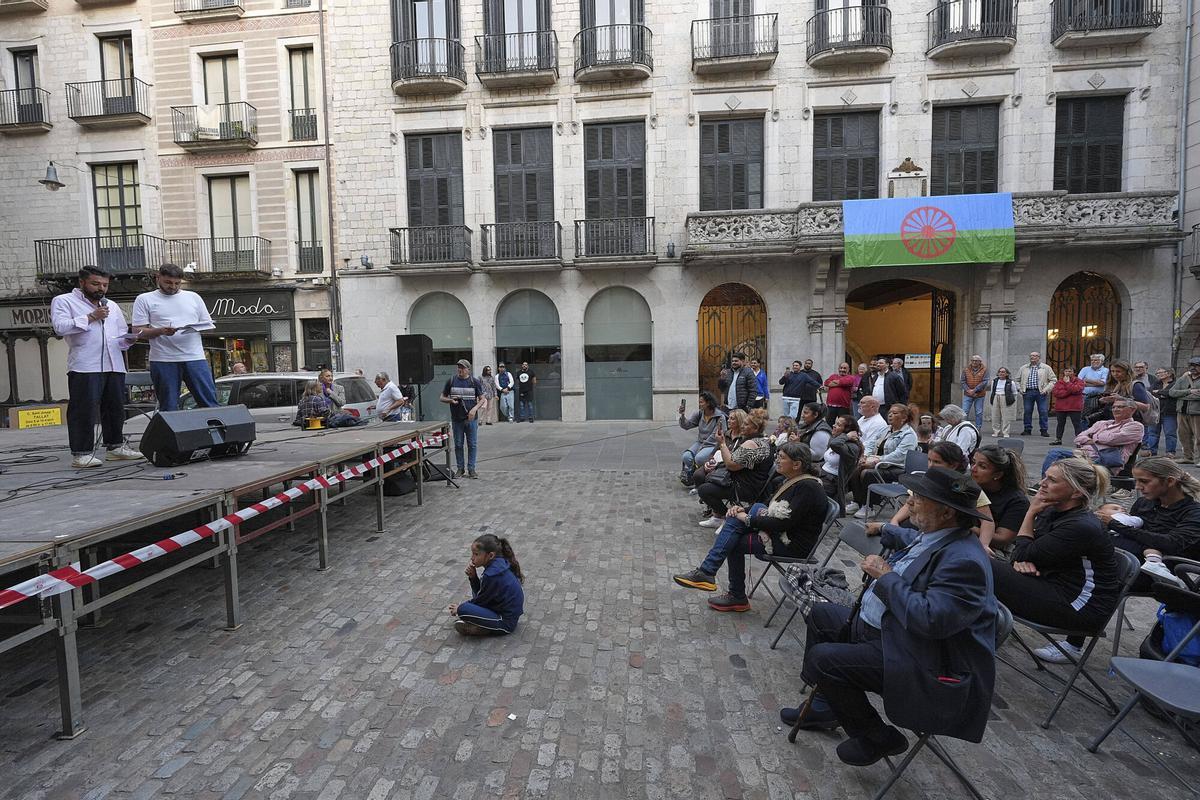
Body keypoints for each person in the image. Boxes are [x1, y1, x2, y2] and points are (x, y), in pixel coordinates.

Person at [785, 467, 997, 767]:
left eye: (919, 499)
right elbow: (913, 539)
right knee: (821, 615)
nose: (909, 504)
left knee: (824, 659)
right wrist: (887, 529)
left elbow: (930, 619)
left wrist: (885, 577)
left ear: (947, 512)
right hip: (887, 631)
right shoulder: (938, 534)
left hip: (921, 659)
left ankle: (876, 736)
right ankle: (826, 704)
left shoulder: (965, 561)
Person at [991, 458, 1121, 665]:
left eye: (1051, 480)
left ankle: (972, 634)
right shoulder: (1054, 511)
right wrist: (1022, 559)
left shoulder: (1081, 526)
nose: (1042, 483)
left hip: (1079, 609)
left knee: (981, 566)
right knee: (980, 563)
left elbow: (1021, 553)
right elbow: (1023, 554)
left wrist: (1030, 512)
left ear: (1077, 492)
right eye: (1045, 477)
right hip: (1052, 584)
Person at [673, 442, 828, 612]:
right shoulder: (790, 480)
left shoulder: (808, 487)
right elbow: (768, 506)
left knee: (734, 542)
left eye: (782, 458)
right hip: (781, 532)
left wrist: (747, 519)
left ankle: (732, 592)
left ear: (797, 464)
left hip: (791, 544)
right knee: (739, 518)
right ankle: (711, 576)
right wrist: (742, 510)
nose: (776, 460)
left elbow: (783, 523)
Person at [49, 266, 144, 468]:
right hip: (85, 365)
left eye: (105, 285)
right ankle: (81, 453)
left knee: (115, 407)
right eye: (95, 284)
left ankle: (115, 447)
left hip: (114, 363)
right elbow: (60, 327)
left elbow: (118, 335)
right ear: (82, 282)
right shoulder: (64, 301)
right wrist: (91, 317)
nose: (100, 288)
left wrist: (129, 341)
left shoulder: (112, 306)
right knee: (83, 409)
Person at [1097, 456, 1200, 590]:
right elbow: (1132, 533)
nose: (1138, 487)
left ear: (1169, 481)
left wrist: (1115, 524)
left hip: (1158, 573)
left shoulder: (1193, 512)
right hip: (1127, 562)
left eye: (1144, 481)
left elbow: (1170, 543)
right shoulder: (1144, 503)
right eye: (1136, 481)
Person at [131, 263, 218, 412]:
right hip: (163, 359)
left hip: (195, 357)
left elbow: (208, 324)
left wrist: (194, 328)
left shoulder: (193, 297)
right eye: (168, 282)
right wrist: (161, 331)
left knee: (209, 402)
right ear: (158, 278)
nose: (173, 286)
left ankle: (216, 434)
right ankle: (170, 435)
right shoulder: (144, 299)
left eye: (177, 283)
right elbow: (137, 331)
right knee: (169, 407)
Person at [696, 408, 773, 528]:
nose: (742, 426)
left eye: (746, 424)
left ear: (755, 428)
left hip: (745, 486)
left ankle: (724, 517)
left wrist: (722, 443)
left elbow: (731, 465)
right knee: (704, 476)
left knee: (705, 489)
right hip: (751, 482)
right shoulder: (762, 440)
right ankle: (717, 516)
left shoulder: (752, 444)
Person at [848, 403, 917, 518]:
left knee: (867, 473)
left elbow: (899, 455)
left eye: (895, 413)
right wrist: (865, 455)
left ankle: (869, 506)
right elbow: (871, 443)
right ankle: (857, 501)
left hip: (896, 467)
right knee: (856, 467)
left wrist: (876, 460)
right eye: (890, 412)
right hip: (878, 461)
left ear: (904, 418)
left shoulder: (909, 434)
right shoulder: (886, 429)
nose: (890, 415)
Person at [1041, 397, 1143, 475]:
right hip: (1083, 455)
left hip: (1103, 461)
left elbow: (1112, 439)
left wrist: (1093, 437)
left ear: (1132, 410)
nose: (1116, 409)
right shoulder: (1102, 423)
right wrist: (1100, 439)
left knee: (1064, 468)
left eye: (1120, 407)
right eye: (1114, 407)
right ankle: (1045, 484)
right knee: (1054, 453)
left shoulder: (1135, 427)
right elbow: (1078, 438)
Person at [447, 534, 524, 636]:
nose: (472, 558)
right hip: (500, 610)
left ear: (490, 555)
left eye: (476, 554)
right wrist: (473, 577)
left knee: (464, 609)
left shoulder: (492, 575)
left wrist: (459, 609)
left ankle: (481, 628)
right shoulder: (499, 563)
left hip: (505, 623)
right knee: (468, 607)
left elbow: (480, 602)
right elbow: (481, 596)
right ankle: (481, 626)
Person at [969, 445, 1029, 557]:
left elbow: (1002, 539)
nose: (973, 468)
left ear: (997, 475)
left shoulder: (1017, 501)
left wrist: (964, 527)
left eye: (982, 466)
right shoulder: (969, 486)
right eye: (973, 462)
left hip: (996, 552)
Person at [440, 359, 486, 479]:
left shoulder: (474, 382)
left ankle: (471, 469)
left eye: (463, 368)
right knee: (458, 444)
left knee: (472, 444)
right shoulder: (451, 381)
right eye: (459, 367)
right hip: (457, 419)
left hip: (471, 419)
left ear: (468, 370)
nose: (460, 370)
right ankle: (460, 468)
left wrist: (474, 409)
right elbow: (442, 397)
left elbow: (482, 399)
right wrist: (450, 400)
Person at [679, 391, 727, 486]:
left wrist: (700, 449)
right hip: (700, 442)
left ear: (708, 403)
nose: (699, 404)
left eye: (701, 402)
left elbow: (714, 436)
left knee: (699, 458)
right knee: (686, 457)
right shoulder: (700, 414)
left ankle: (701, 476)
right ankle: (695, 475)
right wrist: (682, 415)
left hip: (713, 445)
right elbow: (686, 426)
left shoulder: (720, 417)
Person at [821, 415, 863, 514]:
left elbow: (834, 445)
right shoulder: (836, 438)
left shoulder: (852, 447)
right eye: (835, 423)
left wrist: (846, 436)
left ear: (847, 430)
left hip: (832, 482)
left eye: (838, 425)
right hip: (822, 474)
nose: (834, 426)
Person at [1016, 351, 1055, 437]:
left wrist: (1046, 389)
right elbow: (1017, 380)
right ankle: (1027, 429)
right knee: (1027, 411)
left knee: (1043, 411)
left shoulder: (1046, 368)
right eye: (1031, 356)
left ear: (1039, 357)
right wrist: (1020, 389)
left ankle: (1044, 430)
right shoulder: (1023, 368)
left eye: (1035, 356)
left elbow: (1053, 380)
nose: (1032, 357)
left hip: (1041, 392)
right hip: (1027, 392)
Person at [1169, 357, 1200, 464]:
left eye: (1196, 365)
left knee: (1198, 437)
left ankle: (1199, 459)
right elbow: (1172, 392)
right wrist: (1189, 391)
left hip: (1197, 413)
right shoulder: (1183, 378)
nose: (1193, 367)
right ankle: (1188, 457)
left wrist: (1181, 395)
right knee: (1184, 436)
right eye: (1191, 365)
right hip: (1182, 412)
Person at [294, 380, 361, 428]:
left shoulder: (302, 401)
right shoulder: (318, 399)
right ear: (315, 388)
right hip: (320, 424)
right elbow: (325, 414)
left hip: (307, 425)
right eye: (319, 385)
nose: (321, 387)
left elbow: (298, 418)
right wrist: (338, 413)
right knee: (348, 417)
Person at [1146, 367, 1177, 457]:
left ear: (1169, 373)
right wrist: (1164, 394)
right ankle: (1152, 451)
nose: (1158, 375)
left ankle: (1170, 452)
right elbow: (1150, 392)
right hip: (1156, 411)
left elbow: (1173, 393)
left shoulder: (1175, 383)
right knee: (1152, 433)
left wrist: (1159, 392)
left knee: (1170, 433)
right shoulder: (1157, 383)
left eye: (1160, 372)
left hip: (1170, 412)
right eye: (1157, 373)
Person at [1049, 366, 1085, 445]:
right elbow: (1056, 393)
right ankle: (1058, 439)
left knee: (1077, 424)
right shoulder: (1059, 382)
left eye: (1070, 371)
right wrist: (1069, 391)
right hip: (1061, 407)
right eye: (1066, 371)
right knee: (1060, 424)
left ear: (1074, 373)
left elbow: (1077, 389)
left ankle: (1079, 440)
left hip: (1074, 407)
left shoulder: (1079, 381)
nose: (1068, 373)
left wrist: (1068, 384)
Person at [987, 366, 1018, 437]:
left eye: (1003, 372)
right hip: (996, 397)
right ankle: (996, 431)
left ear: (1007, 374)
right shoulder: (994, 381)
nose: (1001, 373)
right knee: (995, 415)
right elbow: (992, 391)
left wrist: (1010, 399)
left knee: (1006, 416)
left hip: (1005, 398)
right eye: (1000, 372)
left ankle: (1005, 432)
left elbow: (1015, 392)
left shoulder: (1010, 382)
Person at [960, 355, 989, 429]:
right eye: (973, 360)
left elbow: (985, 382)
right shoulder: (966, 369)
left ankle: (978, 428)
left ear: (980, 362)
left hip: (979, 394)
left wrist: (975, 390)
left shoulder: (984, 370)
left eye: (976, 361)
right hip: (968, 394)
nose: (974, 362)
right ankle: (963, 426)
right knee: (964, 411)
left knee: (979, 412)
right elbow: (963, 381)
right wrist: (968, 390)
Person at [1078, 353, 1109, 420]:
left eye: (1096, 360)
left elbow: (1102, 383)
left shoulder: (1105, 370)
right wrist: (1096, 383)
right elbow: (1079, 382)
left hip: (1099, 397)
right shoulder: (1085, 369)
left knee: (1096, 417)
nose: (1093, 362)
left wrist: (1087, 380)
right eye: (1092, 360)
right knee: (1083, 417)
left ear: (1102, 361)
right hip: (1085, 396)